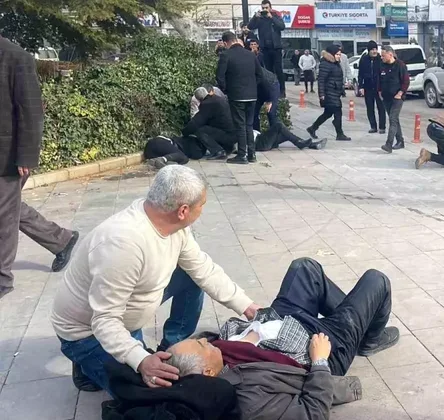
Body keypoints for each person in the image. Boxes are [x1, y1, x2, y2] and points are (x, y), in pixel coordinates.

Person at [51, 165, 262, 393]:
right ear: (183, 210)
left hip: (125, 310)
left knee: (191, 275)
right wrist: (141, 359)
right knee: (151, 390)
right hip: (87, 331)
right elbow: (104, 320)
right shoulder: (123, 245)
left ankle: (172, 347)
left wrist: (248, 307)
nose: (202, 210)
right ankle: (84, 364)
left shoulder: (172, 225)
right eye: (202, 205)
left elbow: (203, 268)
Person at [165, 256, 399, 375]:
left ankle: (358, 322)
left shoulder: (219, 352)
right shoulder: (245, 381)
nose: (206, 340)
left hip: (281, 319)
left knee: (304, 267)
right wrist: (319, 362)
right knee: (376, 280)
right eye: (202, 345)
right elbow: (312, 404)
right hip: (323, 344)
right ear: (207, 372)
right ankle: (367, 340)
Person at [0, 36, 80, 299]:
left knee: (4, 216)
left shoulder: (16, 57)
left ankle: (2, 279)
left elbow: (31, 111)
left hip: (7, 156)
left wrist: (26, 156)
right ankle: (61, 239)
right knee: (9, 207)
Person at [216, 31, 262, 164]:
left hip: (236, 96)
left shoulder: (226, 55)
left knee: (240, 125)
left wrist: (227, 90)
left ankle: (242, 155)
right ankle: (252, 154)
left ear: (225, 43)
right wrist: (252, 87)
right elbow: (260, 75)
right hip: (252, 96)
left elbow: (219, 76)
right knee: (249, 125)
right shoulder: (250, 55)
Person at [307, 45, 351, 142]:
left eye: (340, 54)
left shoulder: (335, 63)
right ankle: (339, 133)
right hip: (329, 93)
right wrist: (321, 94)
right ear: (332, 54)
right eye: (337, 54)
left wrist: (342, 90)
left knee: (327, 113)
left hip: (335, 92)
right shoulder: (326, 64)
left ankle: (313, 128)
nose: (339, 56)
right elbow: (321, 80)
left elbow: (338, 78)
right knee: (337, 112)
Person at [183, 86, 236, 160]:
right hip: (234, 133)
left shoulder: (207, 104)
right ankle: (229, 148)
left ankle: (218, 151)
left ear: (198, 99)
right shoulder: (219, 99)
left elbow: (196, 123)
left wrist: (185, 132)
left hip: (227, 135)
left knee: (200, 130)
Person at [248, 0, 286, 94]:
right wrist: (255, 17)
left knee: (278, 70)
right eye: (263, 8)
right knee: (268, 70)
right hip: (265, 48)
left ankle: (282, 91)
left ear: (270, 8)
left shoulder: (275, 16)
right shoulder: (260, 19)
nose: (265, 9)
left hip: (276, 48)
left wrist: (272, 17)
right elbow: (250, 26)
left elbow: (282, 26)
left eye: (266, 8)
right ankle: (271, 91)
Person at [379, 46, 409, 153]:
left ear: (390, 54)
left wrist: (400, 93)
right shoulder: (382, 65)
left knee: (392, 119)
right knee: (394, 119)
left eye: (383, 55)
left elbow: (406, 81)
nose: (381, 57)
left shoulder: (400, 65)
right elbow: (379, 80)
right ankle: (400, 141)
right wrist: (379, 92)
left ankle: (389, 144)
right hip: (386, 97)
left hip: (397, 97)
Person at [358, 41, 386, 134]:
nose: (374, 51)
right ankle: (373, 126)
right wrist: (361, 86)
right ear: (369, 50)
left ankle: (382, 127)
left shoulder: (380, 59)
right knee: (370, 108)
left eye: (375, 49)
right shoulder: (364, 59)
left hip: (379, 87)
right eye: (372, 49)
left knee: (381, 107)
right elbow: (360, 74)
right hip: (368, 87)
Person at [256, 122, 327, 152]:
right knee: (278, 125)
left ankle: (312, 145)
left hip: (261, 140)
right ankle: (300, 143)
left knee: (287, 135)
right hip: (260, 142)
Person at [253, 66, 281, 132]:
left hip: (271, 86)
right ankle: (256, 133)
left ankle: (275, 133)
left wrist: (269, 100)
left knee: (270, 112)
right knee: (254, 113)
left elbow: (266, 83)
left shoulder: (255, 69)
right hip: (259, 89)